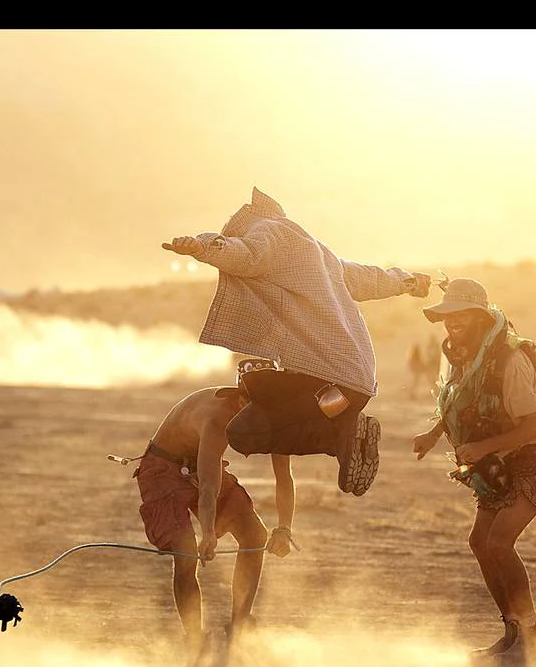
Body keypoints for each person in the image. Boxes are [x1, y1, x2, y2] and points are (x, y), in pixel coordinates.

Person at [162, 187, 432, 496]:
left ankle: (341, 436)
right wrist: (409, 281)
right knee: (258, 384)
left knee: (240, 434)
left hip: (331, 383)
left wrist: (201, 245)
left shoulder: (268, 236)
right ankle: (343, 432)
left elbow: (244, 255)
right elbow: (370, 279)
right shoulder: (318, 254)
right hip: (354, 381)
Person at [411, 279, 536, 667]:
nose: (453, 322)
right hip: (502, 460)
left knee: (499, 543)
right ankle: (513, 633)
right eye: (448, 315)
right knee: (479, 542)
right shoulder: (463, 357)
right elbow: (460, 406)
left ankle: (534, 641)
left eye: (462, 315)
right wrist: (434, 434)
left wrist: (481, 448)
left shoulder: (509, 361)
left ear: (481, 318)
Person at [126, 362, 297, 663]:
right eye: (255, 404)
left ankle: (240, 628)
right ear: (240, 398)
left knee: (254, 534)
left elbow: (284, 478)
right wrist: (208, 534)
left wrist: (284, 527)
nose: (261, 413)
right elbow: (208, 487)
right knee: (186, 551)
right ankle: (194, 642)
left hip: (199, 468)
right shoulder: (216, 418)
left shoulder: (277, 418)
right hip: (163, 470)